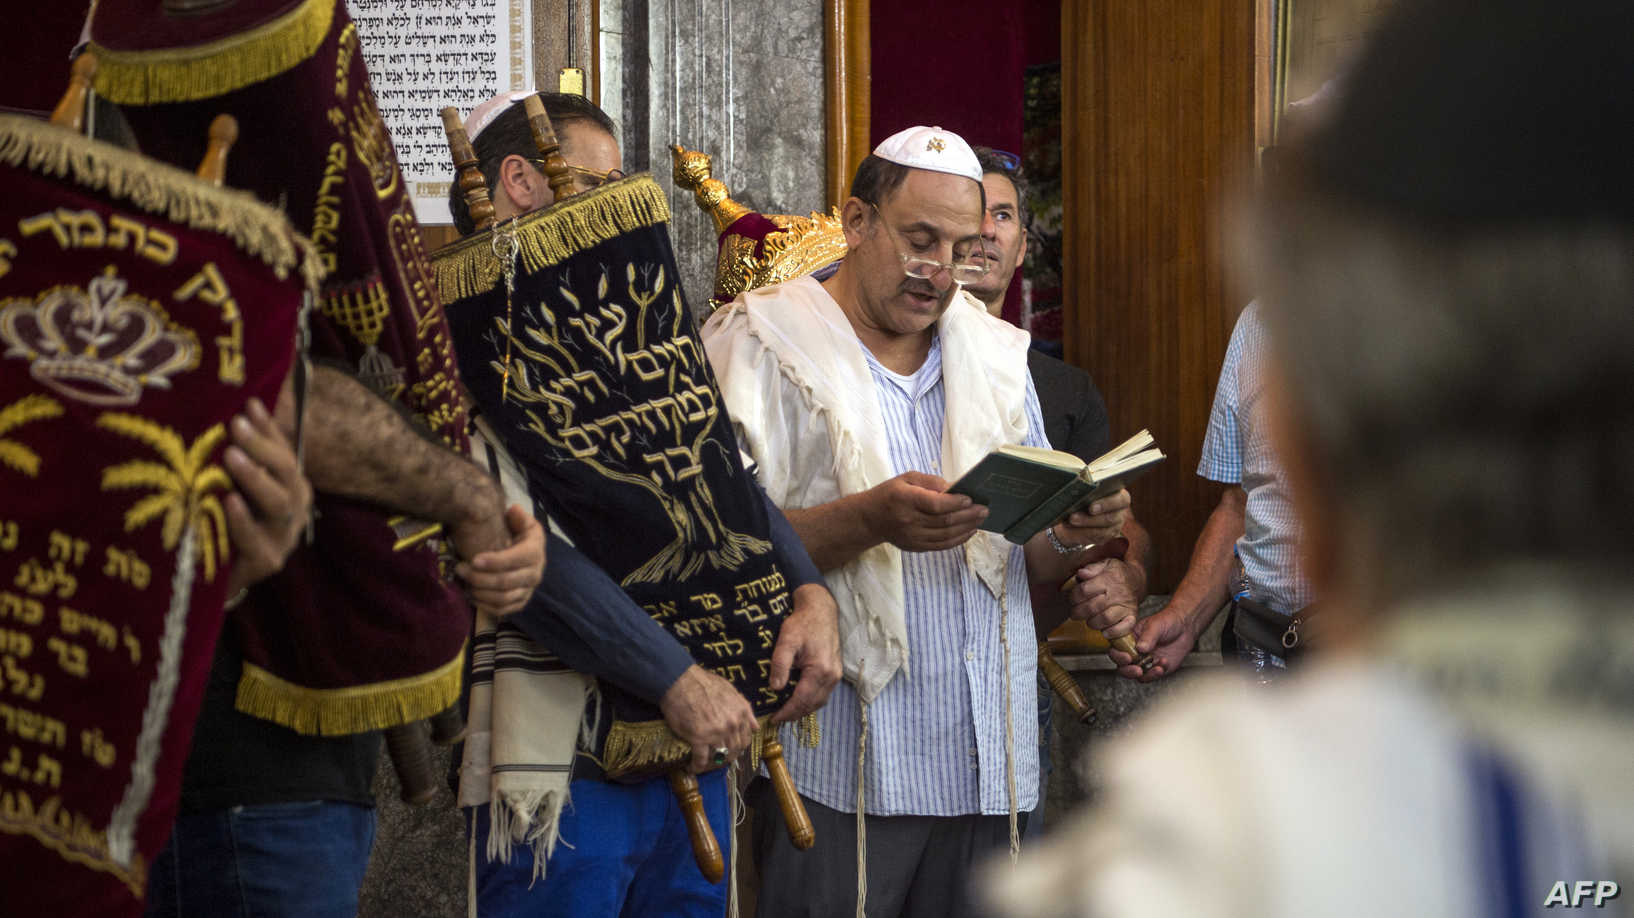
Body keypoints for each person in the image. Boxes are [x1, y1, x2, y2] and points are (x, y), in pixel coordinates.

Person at [989, 1, 1634, 914]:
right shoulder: (1256, 334)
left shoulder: (1205, 856)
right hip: (1270, 648)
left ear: (1314, 436)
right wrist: (1190, 607)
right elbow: (1239, 500)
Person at [79, 4, 548, 914]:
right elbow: (257, 378)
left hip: (299, 719)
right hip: (225, 729)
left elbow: (365, 352)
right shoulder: (120, 91)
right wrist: (463, 493)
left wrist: (482, 517)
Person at [702, 125, 1134, 917]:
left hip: (987, 761)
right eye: (919, 240)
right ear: (858, 222)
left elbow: (1030, 557)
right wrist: (869, 520)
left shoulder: (997, 356)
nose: (939, 272)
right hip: (843, 762)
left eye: (962, 247)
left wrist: (1077, 526)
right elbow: (713, 550)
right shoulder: (762, 342)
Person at [441, 91, 842, 917]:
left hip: (696, 744)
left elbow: (722, 480)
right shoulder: (463, 358)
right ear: (520, 181)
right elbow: (526, 556)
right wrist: (672, 677)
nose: (622, 205)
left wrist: (808, 593)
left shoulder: (640, 331)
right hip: (566, 768)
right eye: (600, 182)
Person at [966, 145, 1153, 834]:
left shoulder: (1065, 389)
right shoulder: (892, 372)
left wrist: (1123, 571)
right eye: (971, 210)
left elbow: (1114, 526)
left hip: (1019, 681)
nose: (986, 228)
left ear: (1021, 250)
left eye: (1005, 215)